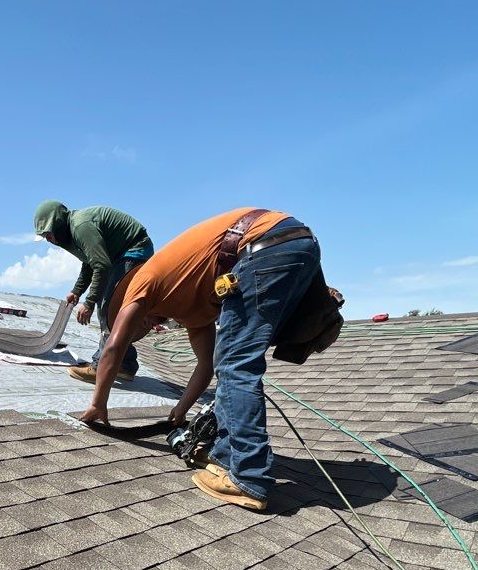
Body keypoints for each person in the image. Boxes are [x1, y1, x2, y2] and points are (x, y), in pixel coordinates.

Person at [76, 207, 322, 512]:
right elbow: (207, 366)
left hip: (263, 245)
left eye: (138, 321)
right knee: (231, 361)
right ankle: (227, 457)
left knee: (237, 363)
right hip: (297, 243)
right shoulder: (192, 311)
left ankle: (248, 478)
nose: (147, 326)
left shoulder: (142, 282)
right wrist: (180, 410)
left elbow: (114, 348)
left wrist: (98, 403)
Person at [32, 199, 153, 383]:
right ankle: (125, 365)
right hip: (119, 256)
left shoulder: (81, 226)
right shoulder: (71, 233)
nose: (48, 240)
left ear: (57, 224)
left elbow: (101, 265)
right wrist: (77, 291)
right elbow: (89, 263)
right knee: (112, 310)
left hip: (133, 251)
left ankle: (100, 367)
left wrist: (89, 303)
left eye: (48, 234)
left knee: (108, 308)